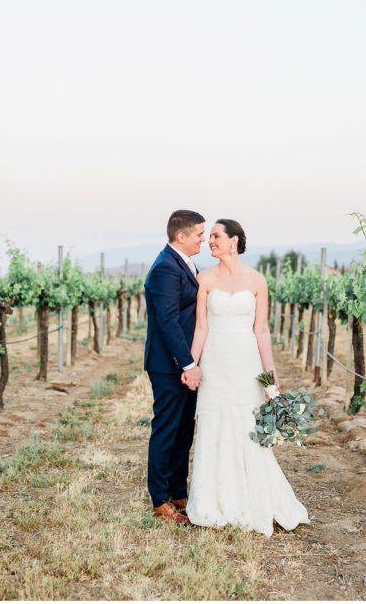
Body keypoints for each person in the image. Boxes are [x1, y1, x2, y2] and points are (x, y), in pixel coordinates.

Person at [185, 218, 309, 536]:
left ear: (234, 241)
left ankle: (255, 498)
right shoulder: (204, 279)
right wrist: (191, 364)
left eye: (216, 236)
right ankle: (213, 499)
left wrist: (270, 376)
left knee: (246, 426)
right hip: (215, 361)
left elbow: (262, 330)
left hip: (245, 361)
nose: (210, 240)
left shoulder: (257, 280)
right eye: (208, 236)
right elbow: (201, 327)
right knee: (214, 423)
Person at [144, 209, 206, 524]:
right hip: (169, 365)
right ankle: (160, 499)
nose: (203, 239)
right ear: (181, 236)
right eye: (199, 234)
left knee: (184, 430)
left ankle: (178, 491)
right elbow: (168, 322)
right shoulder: (165, 269)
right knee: (167, 429)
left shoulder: (185, 264)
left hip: (184, 364)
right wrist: (188, 363)